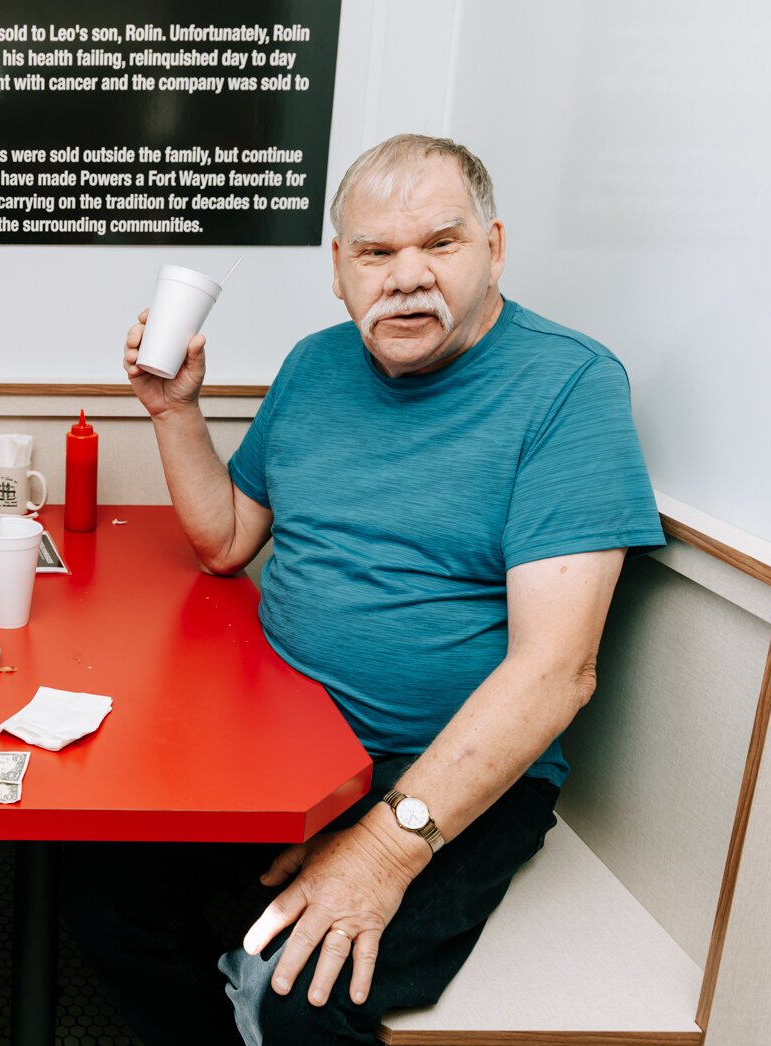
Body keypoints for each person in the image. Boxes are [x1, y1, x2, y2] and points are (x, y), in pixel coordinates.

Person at [63, 133, 665, 1044]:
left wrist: (383, 849)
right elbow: (227, 541)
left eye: (441, 243)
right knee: (108, 902)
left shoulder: (570, 387)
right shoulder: (315, 365)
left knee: (303, 994)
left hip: (446, 775)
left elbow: (557, 673)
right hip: (281, 751)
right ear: (338, 268)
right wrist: (176, 411)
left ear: (494, 248)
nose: (407, 277)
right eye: (377, 253)